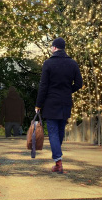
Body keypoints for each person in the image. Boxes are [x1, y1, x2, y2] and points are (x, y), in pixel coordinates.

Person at [34, 38, 83, 173]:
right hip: (65, 102)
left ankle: (58, 161)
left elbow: (43, 86)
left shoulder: (48, 63)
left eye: (51, 47)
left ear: (54, 48)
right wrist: (68, 91)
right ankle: (58, 158)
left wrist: (38, 104)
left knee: (53, 132)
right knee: (60, 130)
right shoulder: (73, 63)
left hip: (51, 102)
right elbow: (79, 84)